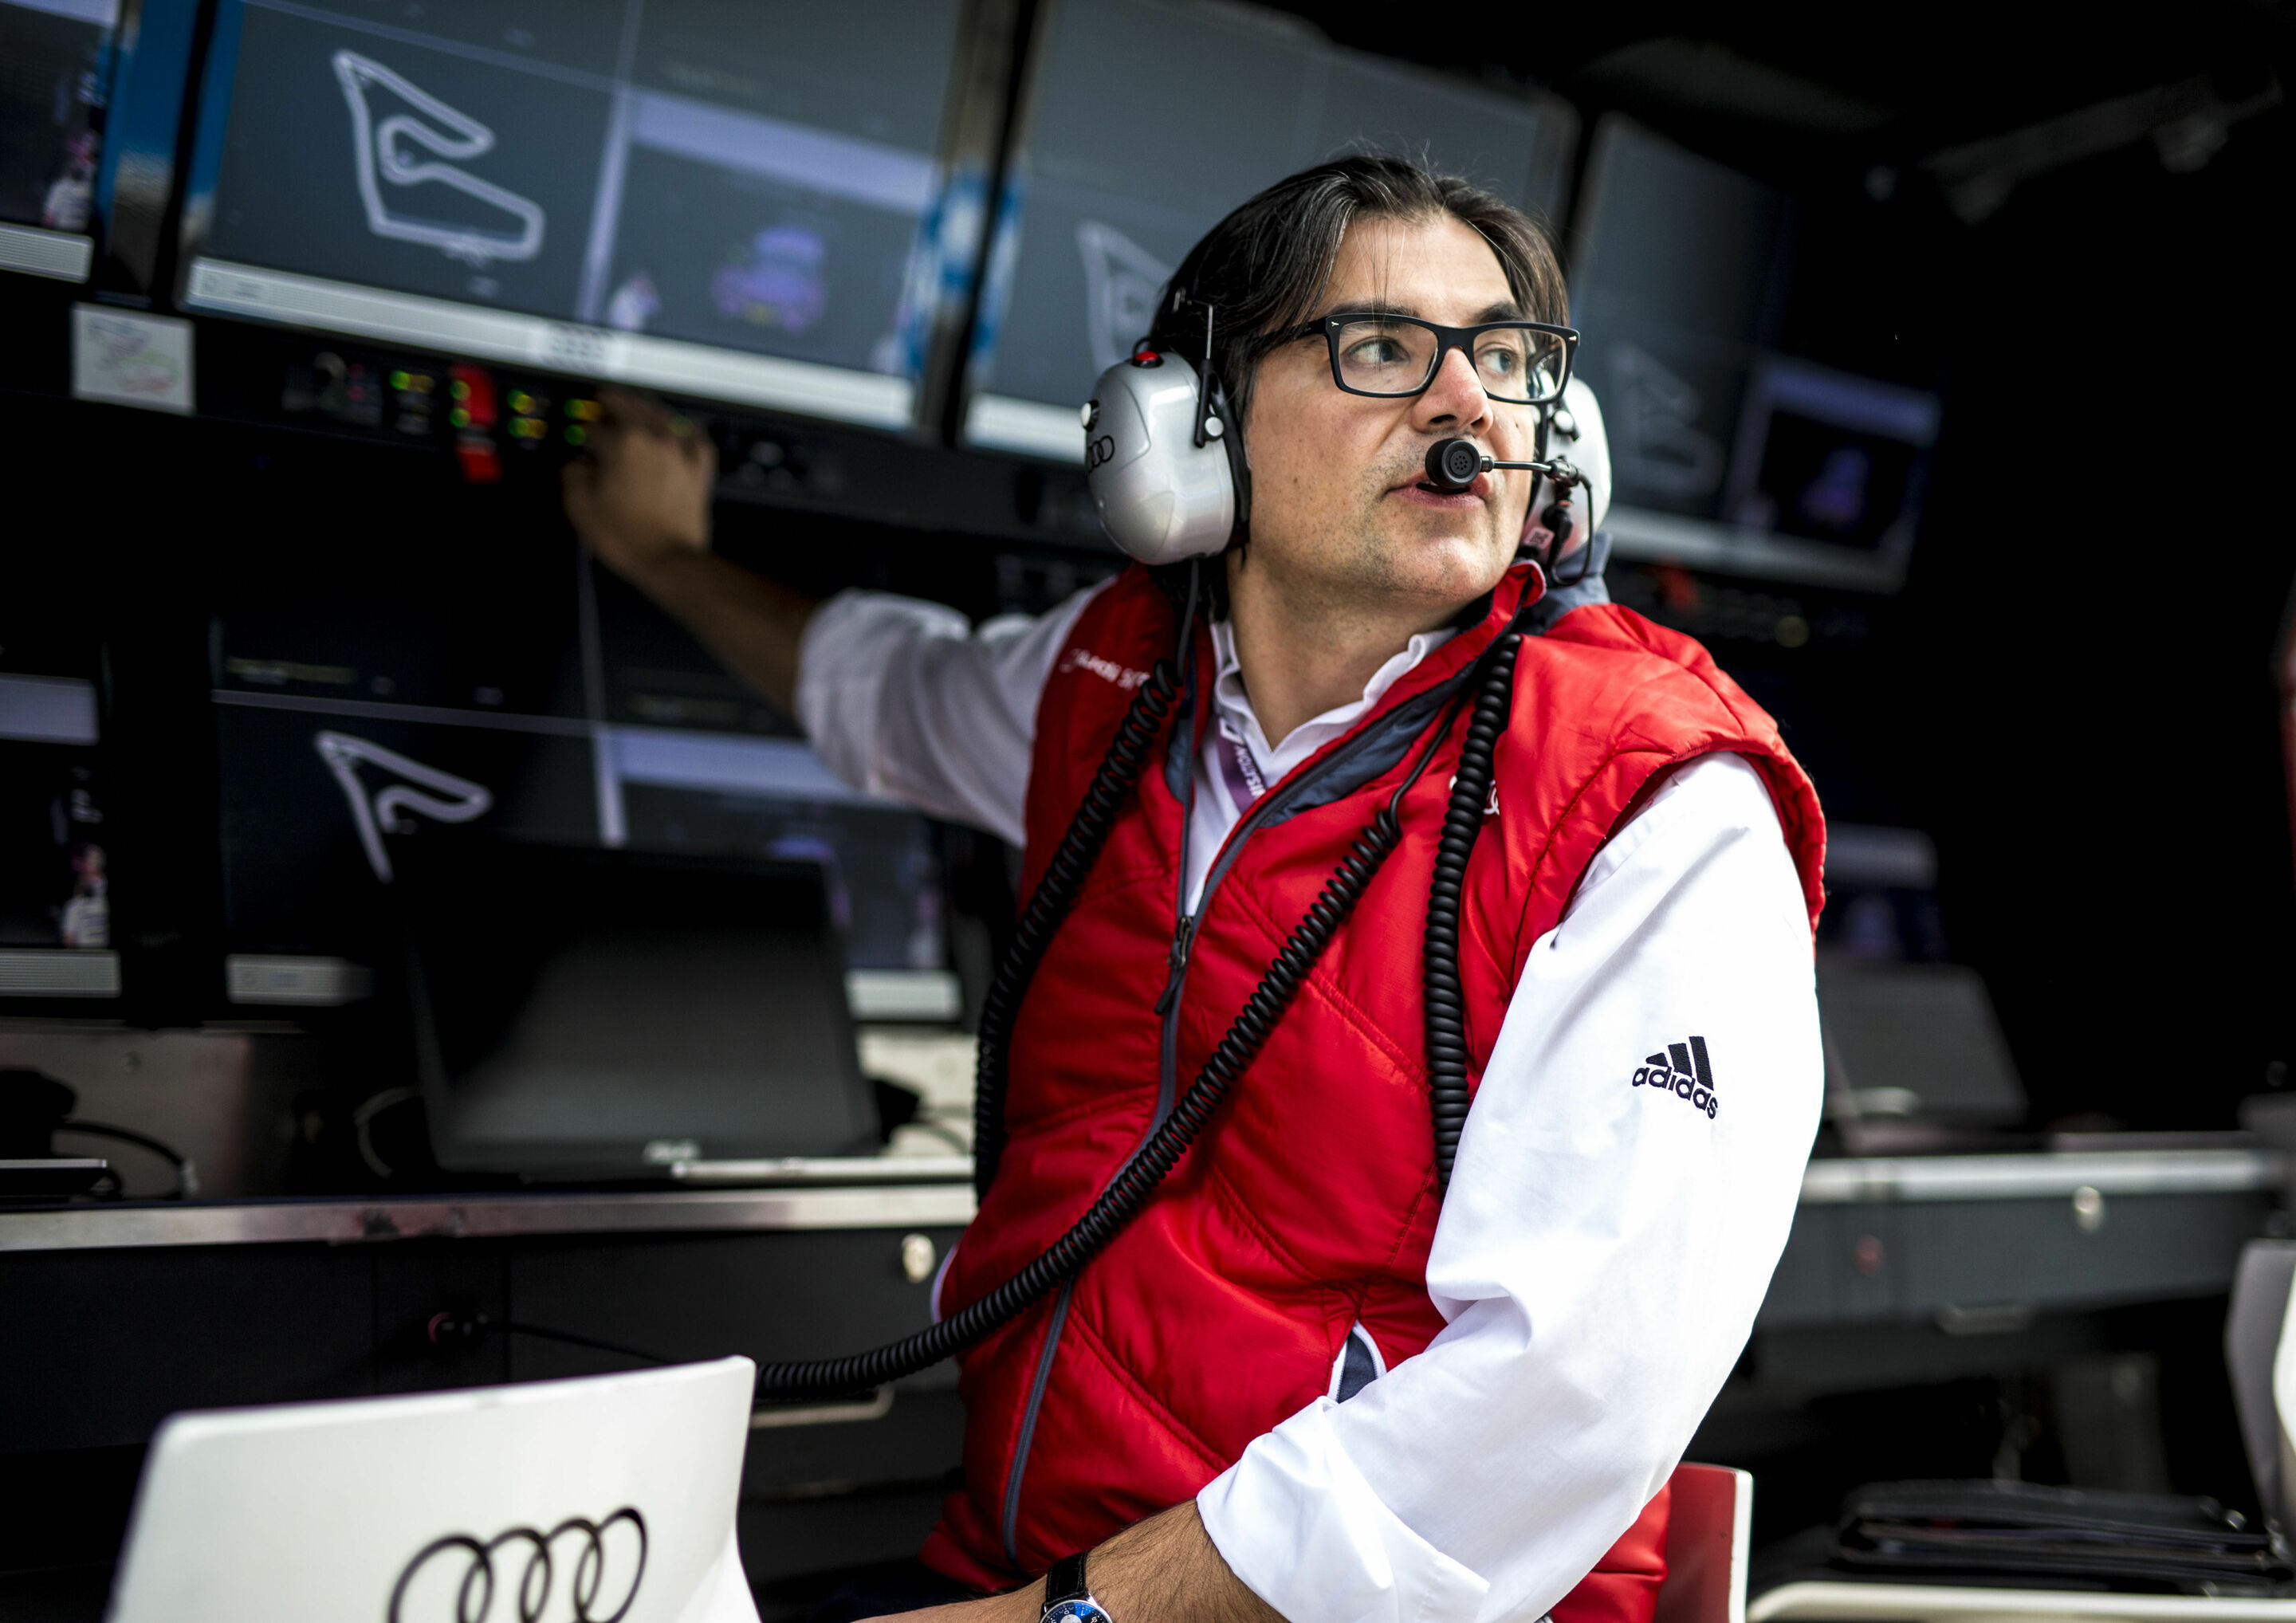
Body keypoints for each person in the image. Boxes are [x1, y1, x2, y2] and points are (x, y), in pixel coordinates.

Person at [564, 155, 1826, 1623]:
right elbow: (884, 689)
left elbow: (1562, 1402)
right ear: (1186, 427)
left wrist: (1075, 1618)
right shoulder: (1104, 688)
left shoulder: (1661, 803)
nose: (1469, 405)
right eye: (1382, 349)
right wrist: (660, 555)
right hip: (1022, 1575)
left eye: (1505, 357)